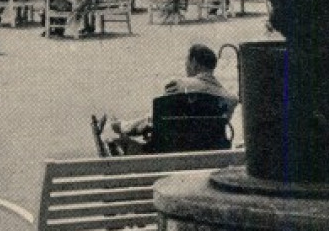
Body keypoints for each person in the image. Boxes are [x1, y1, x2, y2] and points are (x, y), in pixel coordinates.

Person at [99, 44, 238, 155]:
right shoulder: (230, 99)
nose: (185, 66)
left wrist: (125, 126)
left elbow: (157, 119)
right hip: (210, 153)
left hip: (169, 151)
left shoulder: (178, 85)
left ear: (194, 63)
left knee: (117, 139)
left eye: (187, 62)